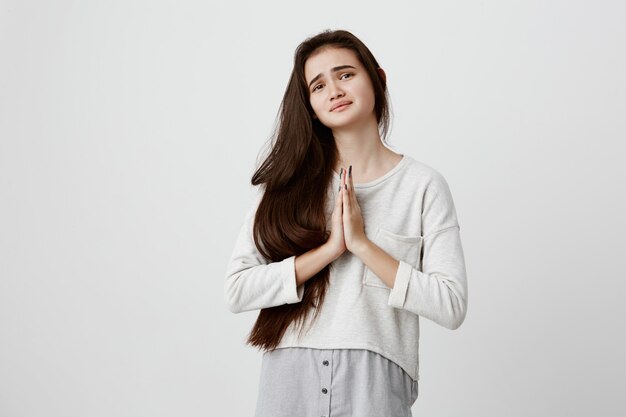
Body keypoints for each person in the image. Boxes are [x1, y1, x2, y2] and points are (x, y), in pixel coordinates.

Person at [224, 28, 468, 417]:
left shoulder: (422, 185)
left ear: (377, 78)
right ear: (310, 105)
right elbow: (238, 289)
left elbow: (451, 304)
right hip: (289, 375)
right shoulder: (285, 188)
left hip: (377, 380)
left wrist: (362, 246)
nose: (334, 90)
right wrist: (329, 250)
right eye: (318, 85)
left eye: (346, 74)